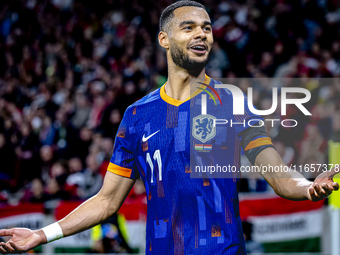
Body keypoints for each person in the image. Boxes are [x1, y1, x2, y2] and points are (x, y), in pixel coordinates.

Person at [0, 1, 339, 254]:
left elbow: (278, 175)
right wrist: (42, 235)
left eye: (206, 27)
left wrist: (306, 186)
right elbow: (106, 201)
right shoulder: (137, 115)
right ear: (164, 39)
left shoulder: (231, 100)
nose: (202, 34)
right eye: (189, 27)